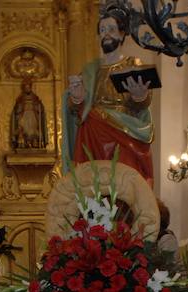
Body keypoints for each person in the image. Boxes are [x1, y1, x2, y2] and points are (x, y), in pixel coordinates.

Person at [62, 2, 154, 183]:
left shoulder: (133, 64)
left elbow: (142, 104)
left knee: (124, 182)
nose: (106, 34)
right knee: (93, 185)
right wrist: (76, 97)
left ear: (122, 34)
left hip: (124, 133)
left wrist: (139, 95)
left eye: (112, 29)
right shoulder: (90, 70)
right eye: (103, 29)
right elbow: (76, 109)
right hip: (92, 134)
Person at [10, 78, 47, 149]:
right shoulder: (20, 98)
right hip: (23, 116)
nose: (27, 89)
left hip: (33, 116)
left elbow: (40, 108)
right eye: (26, 87)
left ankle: (34, 142)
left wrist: (38, 106)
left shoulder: (35, 97)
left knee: (33, 130)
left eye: (28, 87)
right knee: (23, 129)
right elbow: (17, 110)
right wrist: (20, 107)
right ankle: (24, 142)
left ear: (30, 87)